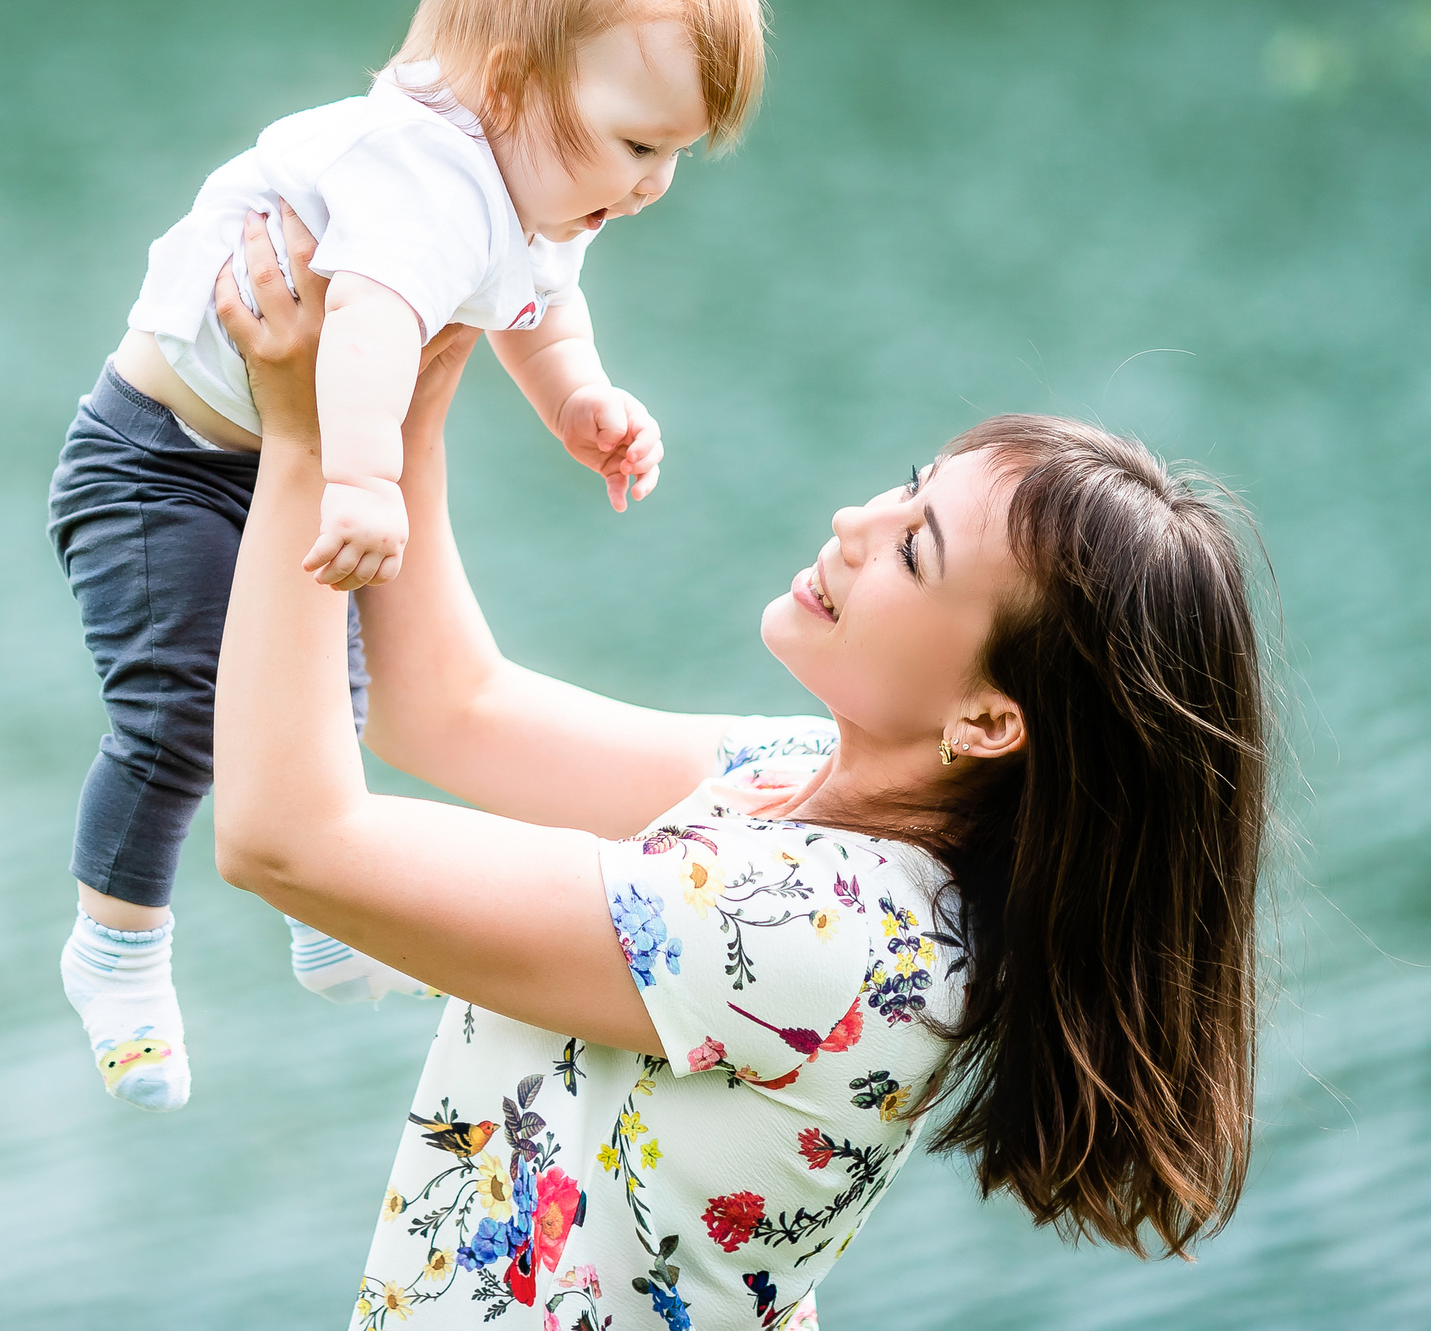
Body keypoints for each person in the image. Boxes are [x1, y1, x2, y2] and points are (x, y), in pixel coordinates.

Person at [210, 213, 1276, 1330]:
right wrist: (412, 379)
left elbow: (287, 842)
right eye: (908, 487)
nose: (855, 521)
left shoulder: (825, 929)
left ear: (988, 719)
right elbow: (447, 710)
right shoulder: (808, 779)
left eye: (914, 549)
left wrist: (308, 444)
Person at [49, 0, 767, 1110]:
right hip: (158, 462)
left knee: (324, 689)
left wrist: (579, 398)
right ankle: (114, 947)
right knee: (179, 713)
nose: (651, 185)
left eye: (675, 157)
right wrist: (362, 479)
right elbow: (370, 322)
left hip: (278, 452)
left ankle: (330, 912)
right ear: (511, 82)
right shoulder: (425, 169)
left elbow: (536, 306)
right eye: (637, 144)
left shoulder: (541, 184)